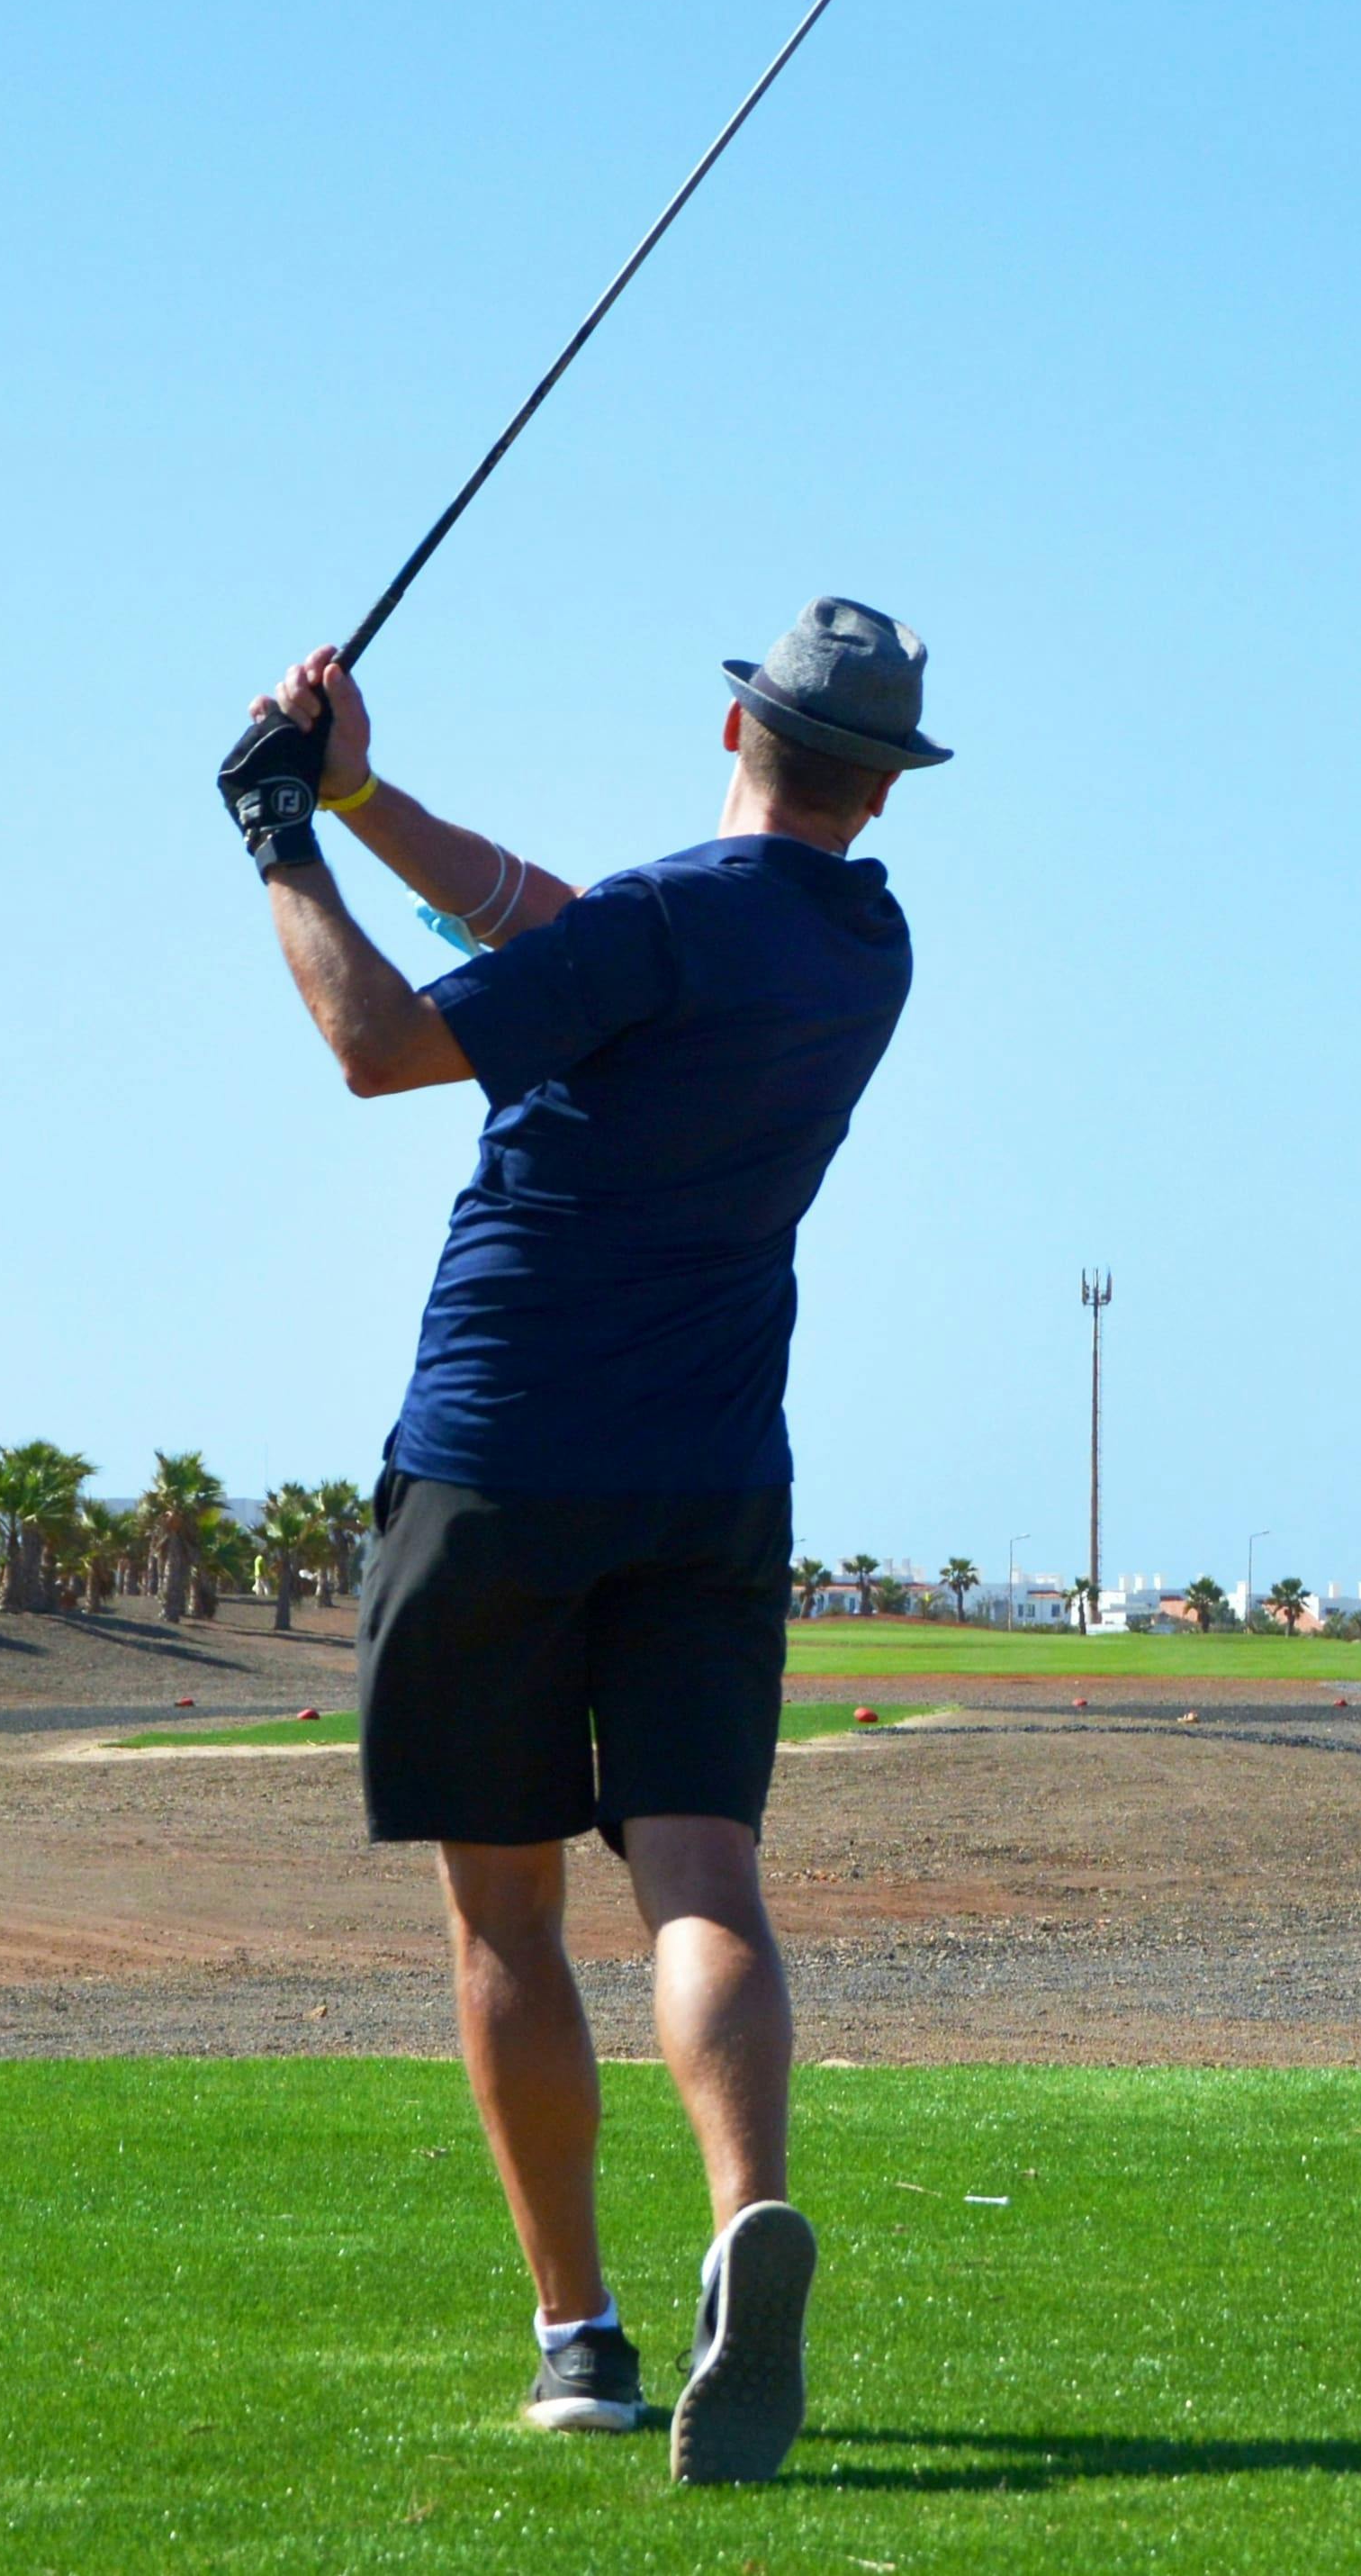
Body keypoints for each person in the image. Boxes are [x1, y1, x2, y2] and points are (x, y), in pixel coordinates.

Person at [215, 599, 944, 2486]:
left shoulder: (658, 924)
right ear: (881, 781)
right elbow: (547, 919)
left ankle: (579, 2337)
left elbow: (377, 1045)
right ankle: (744, 2216)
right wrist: (366, 788)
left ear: (734, 730)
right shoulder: (859, 943)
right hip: (707, 1478)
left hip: (501, 1463)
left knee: (506, 1919)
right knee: (699, 1878)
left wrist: (277, 839)